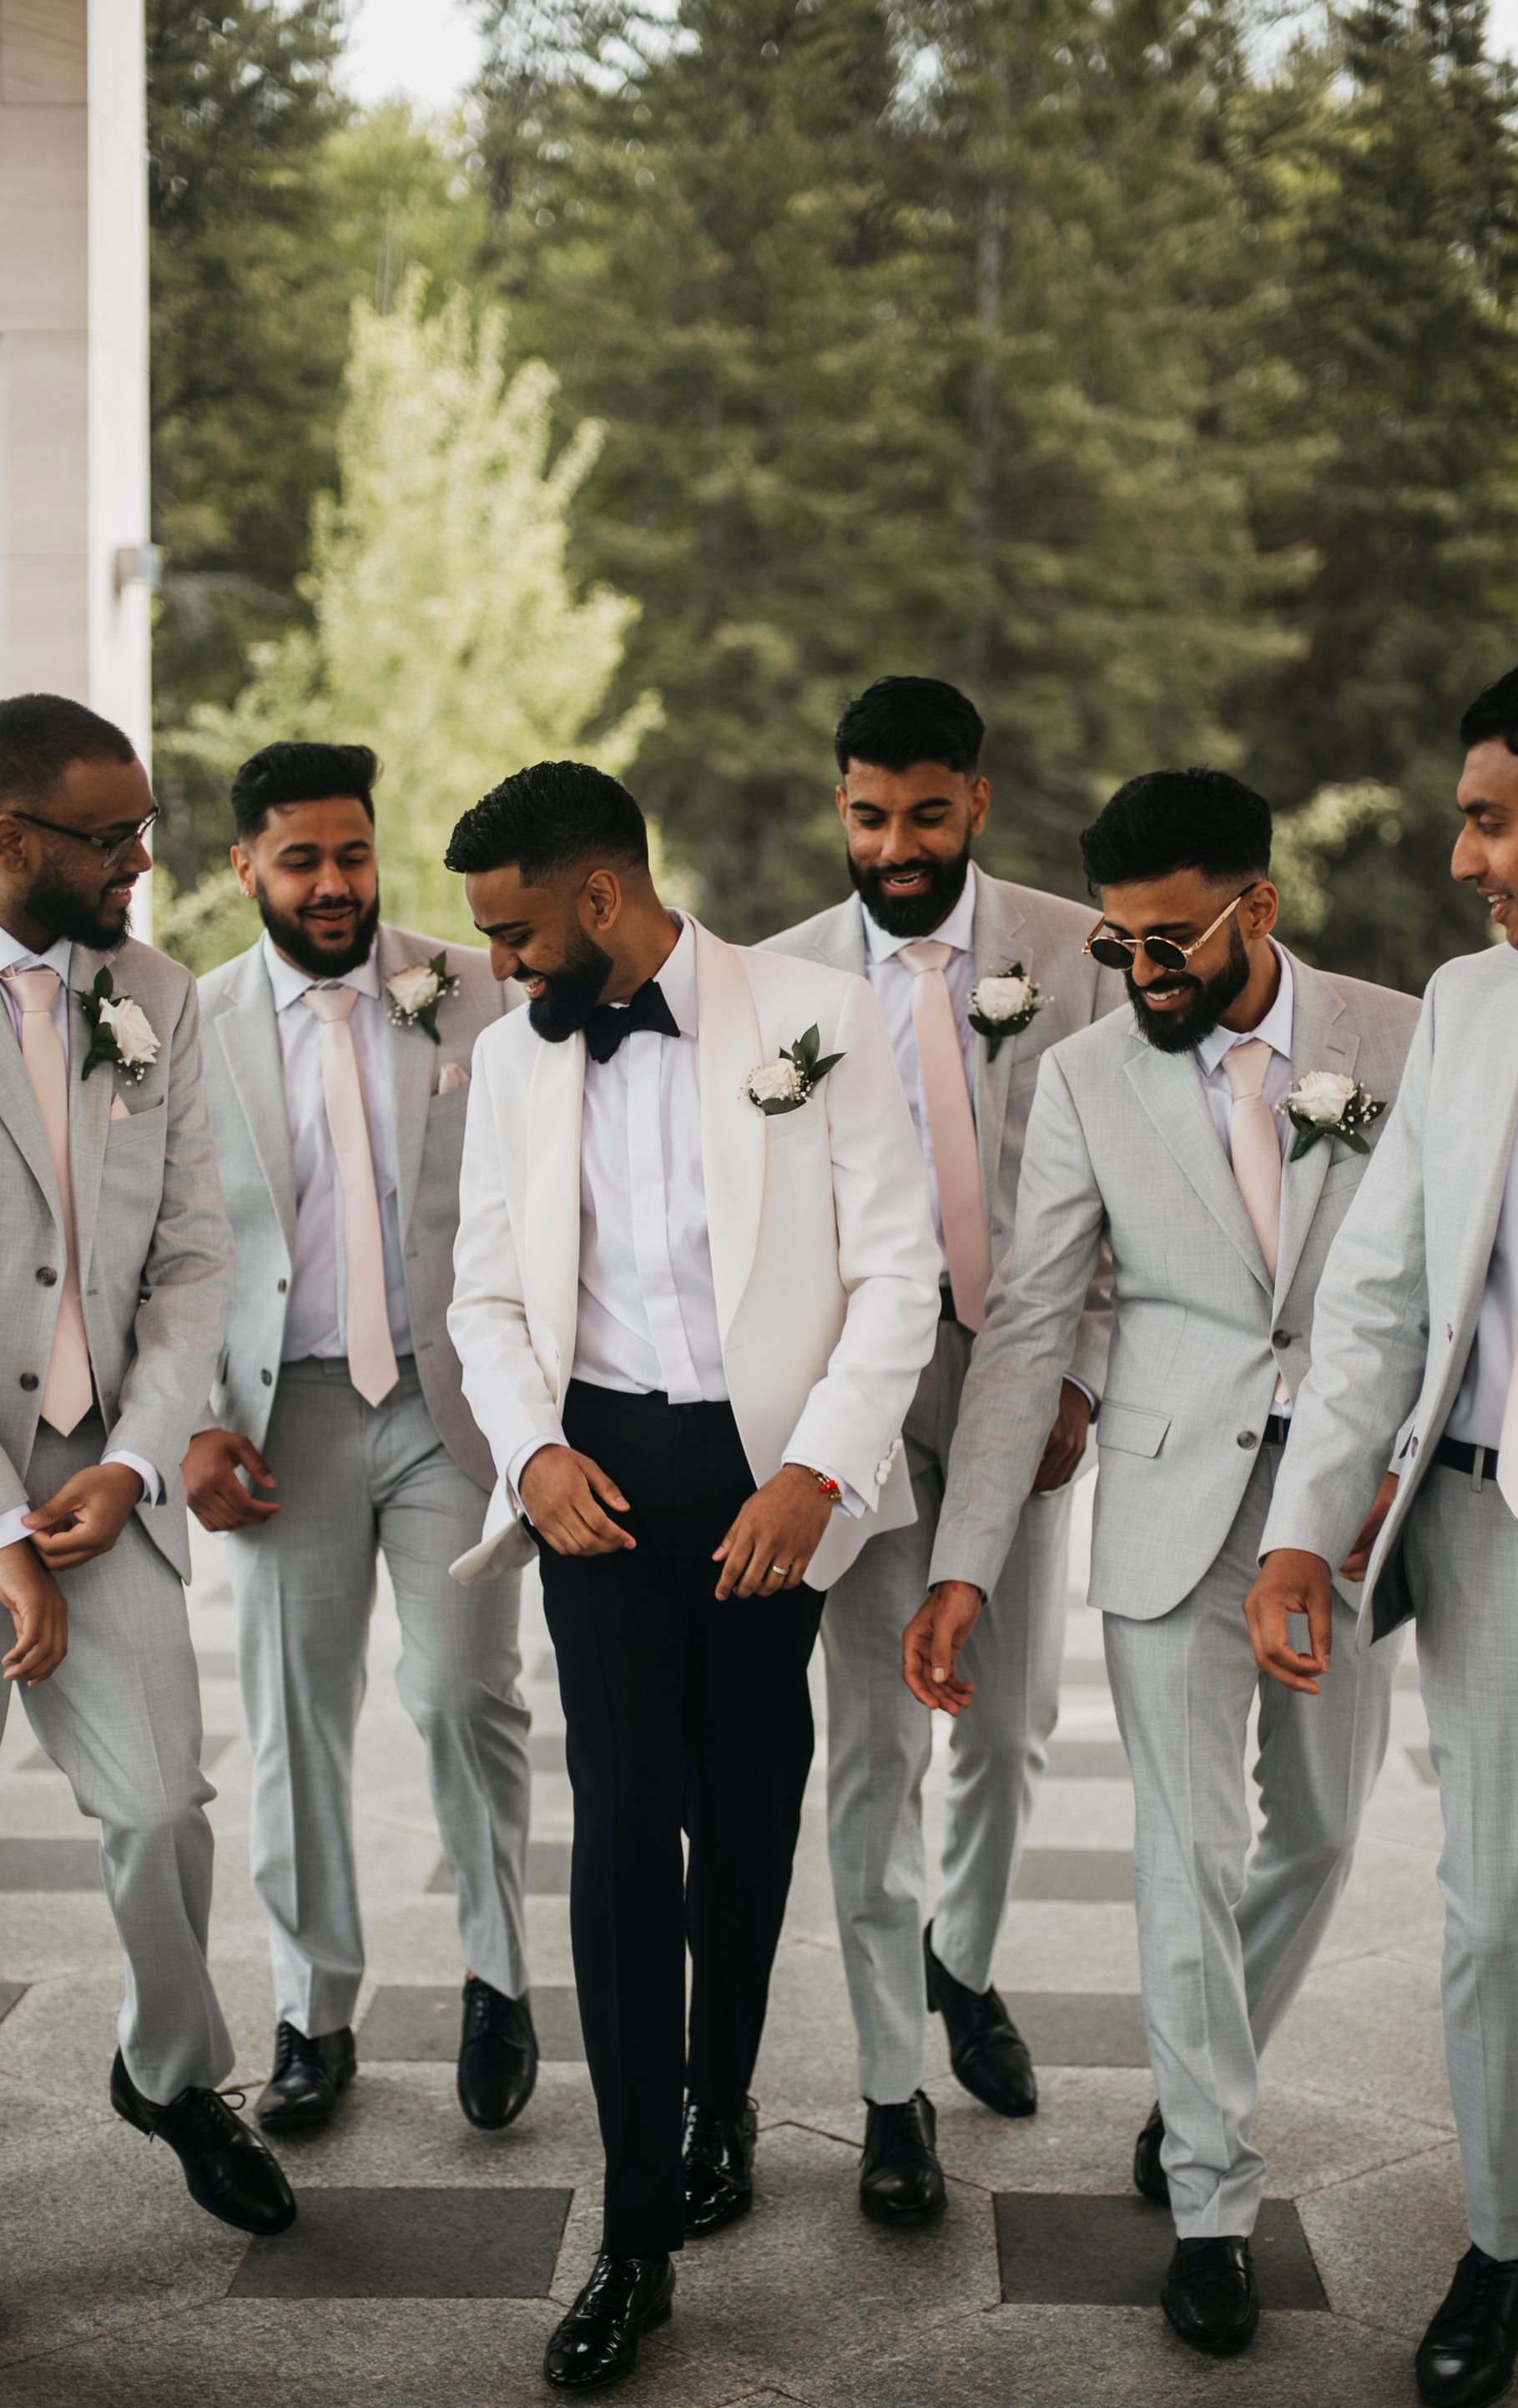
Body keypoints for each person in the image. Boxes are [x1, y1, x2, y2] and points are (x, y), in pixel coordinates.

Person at [443, 760, 941, 2391]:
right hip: (593, 1479)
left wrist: (820, 1468)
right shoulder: (516, 1057)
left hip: (769, 1477)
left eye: (516, 936)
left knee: (747, 1804)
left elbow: (896, 1273)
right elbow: (484, 1298)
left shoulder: (817, 1014)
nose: (503, 970)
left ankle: (720, 2095)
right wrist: (528, 1453)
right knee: (619, 1823)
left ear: (599, 898)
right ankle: (636, 2236)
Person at [907, 767, 1418, 2355]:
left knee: (1321, 1833)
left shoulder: (1402, 1042)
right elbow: (1030, 1326)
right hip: (1165, 1500)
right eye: (1120, 943)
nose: (1143, 972)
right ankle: (1211, 2191)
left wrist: (1392, 1478)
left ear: (1257, 908)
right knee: (1182, 1859)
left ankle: (1212, 2071)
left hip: (1343, 1516)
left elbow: (1450, 1297)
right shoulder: (1083, 1081)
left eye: (1172, 938)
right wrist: (965, 1559)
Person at [1245, 647, 1518, 2408]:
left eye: (1491, 818)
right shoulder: (1471, 1011)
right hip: (1497, 1525)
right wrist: (1311, 1523)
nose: (1465, 858)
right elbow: (1380, 1293)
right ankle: (1509, 2239)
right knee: (1486, 1918)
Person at [764, 675, 1119, 2219]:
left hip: (1024, 1385)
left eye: (923, 813)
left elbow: (1127, 1197)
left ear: (974, 803)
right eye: (866, 813)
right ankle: (889, 2086)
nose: (894, 843)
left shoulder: (1080, 961)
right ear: (838, 807)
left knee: (1014, 1716)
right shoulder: (774, 980)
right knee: (874, 1748)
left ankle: (959, 1960)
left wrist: (1082, 1383)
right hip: (862, 1401)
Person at [185, 740, 537, 2139]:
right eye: (300, 860)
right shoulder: (188, 1020)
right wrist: (202, 1426)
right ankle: (310, 2012)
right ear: (245, 867)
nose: (334, 885)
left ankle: (498, 1979)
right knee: (293, 1717)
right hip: (287, 1416)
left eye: (353, 854)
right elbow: (170, 1246)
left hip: (451, 1401)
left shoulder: (471, 984)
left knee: (465, 1693)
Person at [0, 693, 293, 2234]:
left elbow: (195, 1259)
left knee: (165, 1806)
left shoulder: (158, 1000)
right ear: (11, 837)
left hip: (97, 1462)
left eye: (147, 828)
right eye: (111, 837)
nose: (143, 862)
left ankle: (169, 2075)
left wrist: (132, 1464)